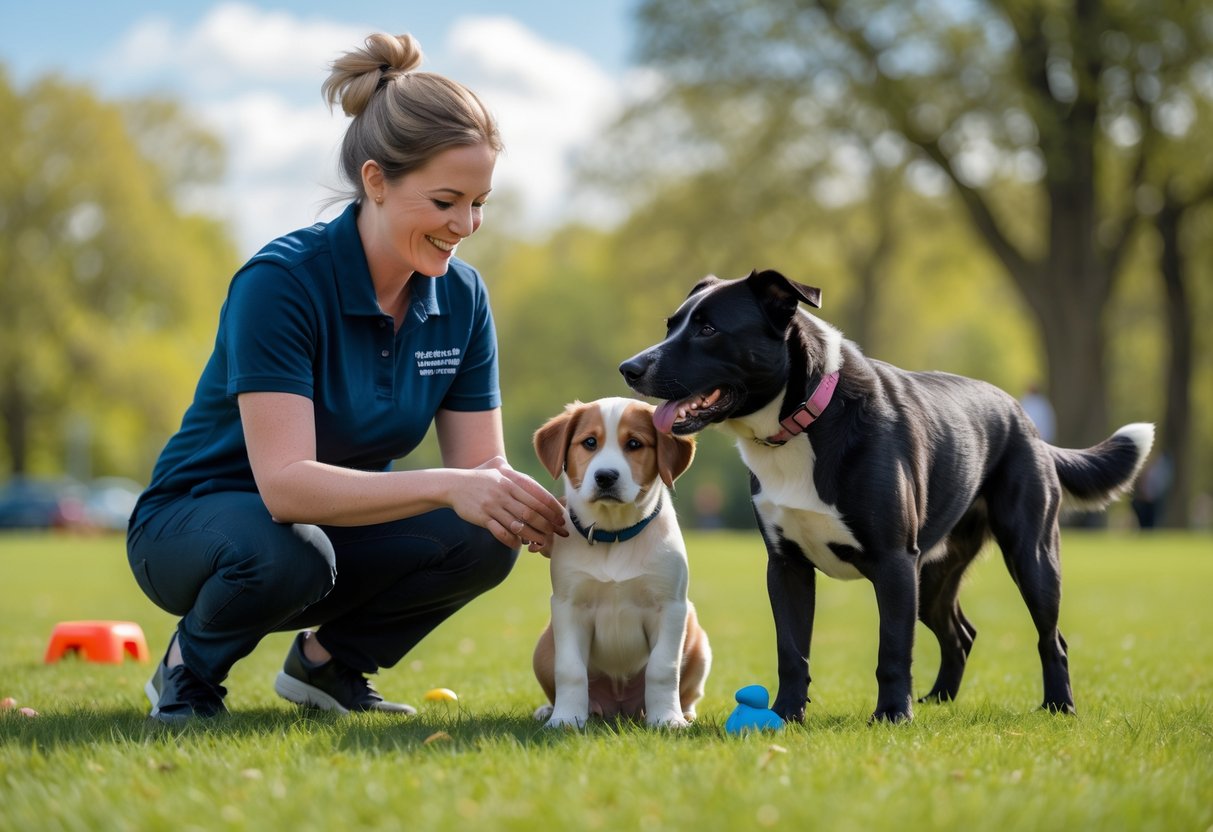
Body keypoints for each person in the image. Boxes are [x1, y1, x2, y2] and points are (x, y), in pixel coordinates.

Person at [126, 32, 567, 724]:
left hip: (323, 533)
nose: (466, 224)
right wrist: (454, 487)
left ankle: (326, 667)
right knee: (290, 551)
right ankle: (189, 671)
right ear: (375, 181)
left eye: (480, 202)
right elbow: (284, 484)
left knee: (488, 533)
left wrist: (532, 506)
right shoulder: (281, 283)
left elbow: (480, 467)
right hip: (198, 526)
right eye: (447, 200)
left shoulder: (463, 298)